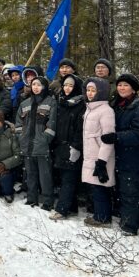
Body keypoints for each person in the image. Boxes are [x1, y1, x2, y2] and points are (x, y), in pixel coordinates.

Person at [102, 73, 139, 235]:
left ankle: (131, 225)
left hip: (134, 155)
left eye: (126, 85)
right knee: (123, 188)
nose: (122, 88)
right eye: (120, 85)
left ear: (133, 89)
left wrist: (117, 137)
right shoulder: (118, 104)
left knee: (131, 190)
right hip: (120, 153)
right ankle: (133, 219)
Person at [15, 76, 56, 210]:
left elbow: (52, 124)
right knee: (30, 173)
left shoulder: (50, 102)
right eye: (33, 85)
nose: (36, 87)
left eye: (39, 85)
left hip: (42, 145)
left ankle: (47, 201)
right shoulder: (25, 103)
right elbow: (18, 124)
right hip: (27, 144)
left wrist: (45, 139)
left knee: (45, 175)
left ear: (44, 87)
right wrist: (21, 136)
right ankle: (32, 198)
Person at [81, 78, 116, 227]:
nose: (90, 93)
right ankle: (99, 215)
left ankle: (103, 218)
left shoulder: (106, 111)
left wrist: (101, 162)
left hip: (100, 157)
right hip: (90, 154)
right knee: (95, 188)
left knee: (100, 188)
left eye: (93, 90)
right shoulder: (90, 108)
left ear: (101, 91)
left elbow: (108, 138)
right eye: (88, 90)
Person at [50, 75, 85, 220]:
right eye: (65, 85)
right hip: (60, 145)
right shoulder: (61, 102)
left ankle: (62, 209)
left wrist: (76, 146)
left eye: (70, 86)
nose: (67, 88)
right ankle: (71, 207)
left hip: (72, 146)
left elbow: (80, 129)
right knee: (65, 177)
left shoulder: (81, 104)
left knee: (68, 179)